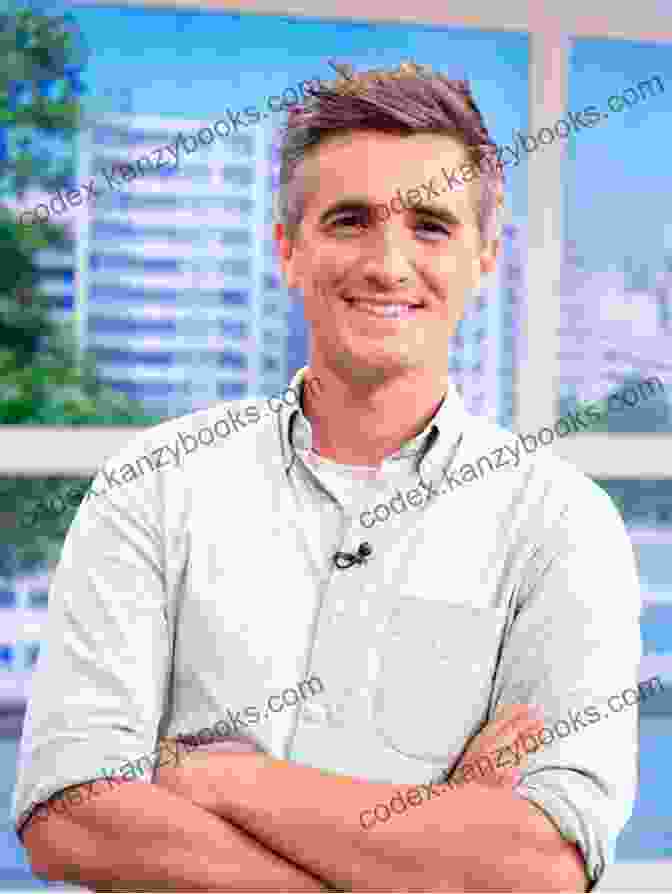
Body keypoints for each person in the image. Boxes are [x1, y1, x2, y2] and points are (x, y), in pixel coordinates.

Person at [15, 60, 641, 892]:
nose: (388, 263)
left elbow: (536, 864)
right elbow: (70, 816)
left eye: (430, 225)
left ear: (485, 257)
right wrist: (429, 842)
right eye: (349, 221)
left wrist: (215, 778)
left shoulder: (563, 523)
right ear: (288, 249)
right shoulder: (155, 483)